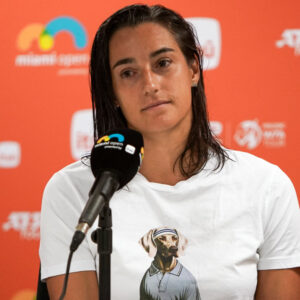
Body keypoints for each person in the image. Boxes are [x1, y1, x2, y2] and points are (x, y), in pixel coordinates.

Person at [39, 4, 300, 300]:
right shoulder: (73, 190)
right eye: (128, 72)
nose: (150, 84)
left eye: (162, 63)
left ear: (193, 69)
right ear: (112, 92)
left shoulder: (266, 187)